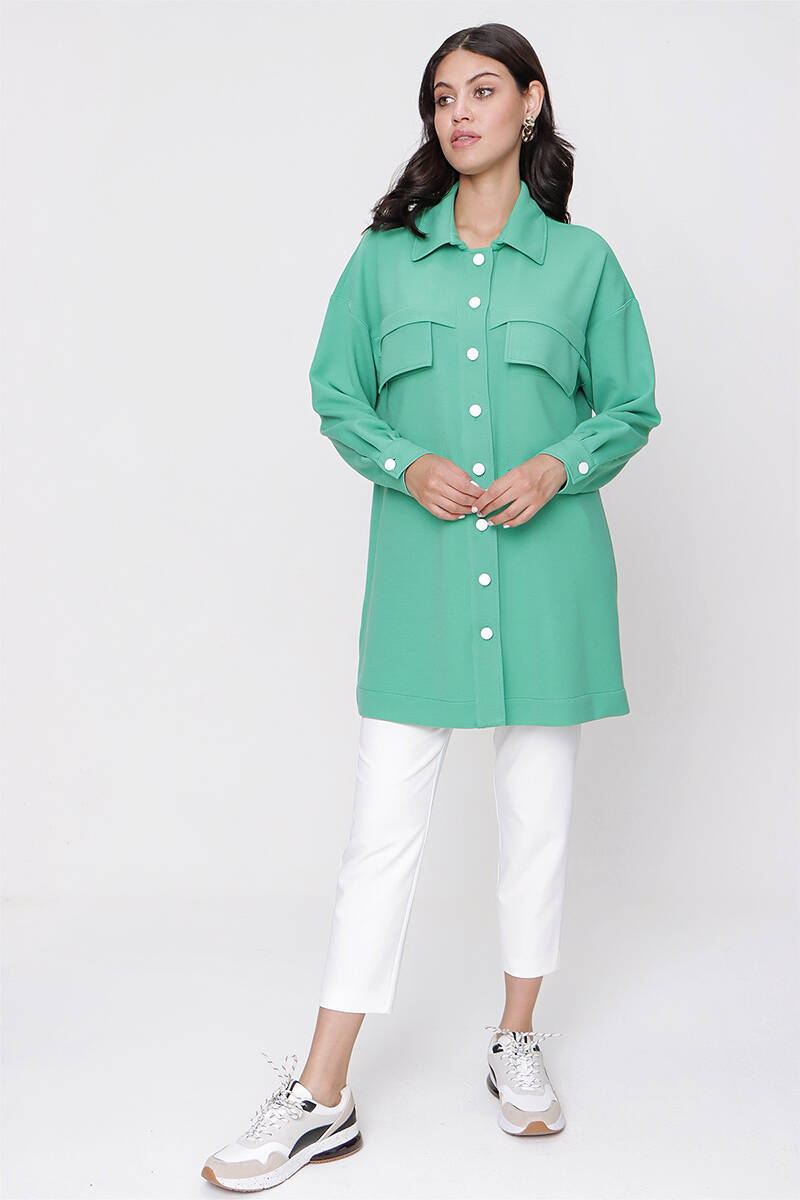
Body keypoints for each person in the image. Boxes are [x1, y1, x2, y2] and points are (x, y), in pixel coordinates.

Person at [202, 20, 660, 1193]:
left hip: (547, 580)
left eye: (481, 90)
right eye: (441, 96)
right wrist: (404, 465)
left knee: (535, 823)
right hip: (419, 584)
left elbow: (627, 407)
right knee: (379, 838)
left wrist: (559, 464)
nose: (457, 111)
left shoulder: (582, 264)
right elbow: (335, 394)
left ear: (530, 103)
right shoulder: (382, 261)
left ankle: (515, 1039)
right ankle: (322, 1092)